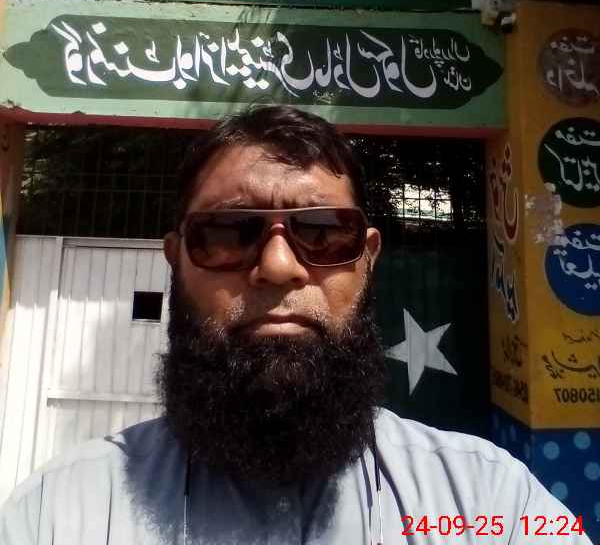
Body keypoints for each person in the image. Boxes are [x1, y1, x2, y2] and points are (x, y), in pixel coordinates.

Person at [0, 105, 591, 545]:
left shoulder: (493, 503)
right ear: (176, 259)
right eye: (229, 233)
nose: (280, 266)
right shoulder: (59, 513)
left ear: (367, 258)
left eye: (324, 232)